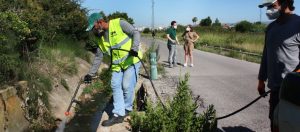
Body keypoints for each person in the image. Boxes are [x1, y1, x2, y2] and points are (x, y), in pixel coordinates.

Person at [85, 13, 143, 126]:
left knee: (126, 86)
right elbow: (98, 57)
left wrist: (134, 47)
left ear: (100, 22)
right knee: (115, 85)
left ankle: (127, 109)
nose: (93, 31)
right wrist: (90, 74)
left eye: (94, 27)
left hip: (131, 60)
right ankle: (118, 115)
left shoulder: (119, 23)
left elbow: (135, 32)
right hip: (117, 65)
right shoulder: (99, 38)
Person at [258, 0, 300, 131]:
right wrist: (261, 80)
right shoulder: (270, 28)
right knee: (275, 123)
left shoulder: (298, 25)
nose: (268, 10)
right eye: (267, 7)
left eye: (272, 6)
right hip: (275, 89)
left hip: (295, 90)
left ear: (285, 3)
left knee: (292, 125)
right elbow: (266, 55)